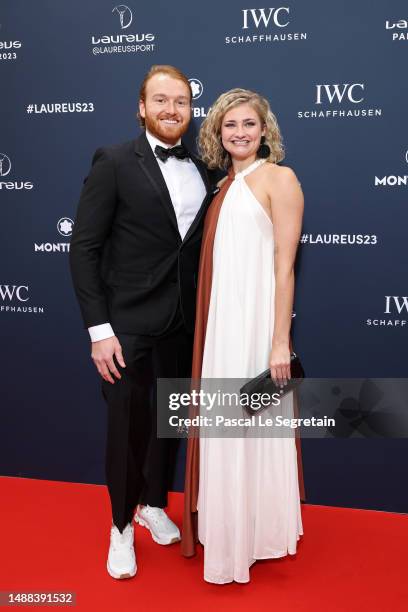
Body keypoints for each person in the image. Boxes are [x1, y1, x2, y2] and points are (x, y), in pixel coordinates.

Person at [69, 65, 214, 579]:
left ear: (191, 109)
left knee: (167, 424)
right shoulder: (112, 161)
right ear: (141, 107)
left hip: (182, 323)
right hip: (126, 326)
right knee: (126, 429)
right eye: (160, 100)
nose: (171, 109)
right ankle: (120, 528)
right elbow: (83, 248)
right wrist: (99, 330)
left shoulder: (204, 170)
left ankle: (154, 504)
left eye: (180, 101)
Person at [181, 88, 305, 583]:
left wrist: (279, 341)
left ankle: (256, 535)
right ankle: (231, 531)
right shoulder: (221, 188)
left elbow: (285, 266)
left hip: (257, 327)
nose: (240, 133)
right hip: (220, 329)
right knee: (225, 428)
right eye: (230, 125)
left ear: (264, 129)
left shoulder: (280, 179)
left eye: (249, 124)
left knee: (252, 425)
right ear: (217, 132)